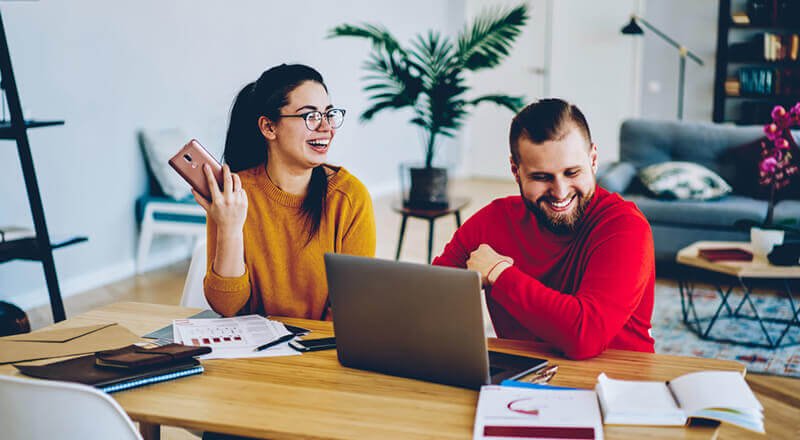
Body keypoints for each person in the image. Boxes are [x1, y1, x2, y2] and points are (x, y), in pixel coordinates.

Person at [433, 98, 655, 359]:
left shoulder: (625, 226)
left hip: (617, 383)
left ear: (593, 159)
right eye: (541, 177)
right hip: (524, 380)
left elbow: (585, 336)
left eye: (572, 173)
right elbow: (430, 298)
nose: (560, 192)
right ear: (516, 171)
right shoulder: (491, 222)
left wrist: (499, 273)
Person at [195, 64, 376, 320]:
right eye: (310, 116)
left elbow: (351, 310)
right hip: (250, 353)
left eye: (329, 114)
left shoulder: (349, 197)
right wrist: (230, 228)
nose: (326, 128)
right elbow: (226, 305)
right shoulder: (234, 195)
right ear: (269, 127)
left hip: (321, 350)